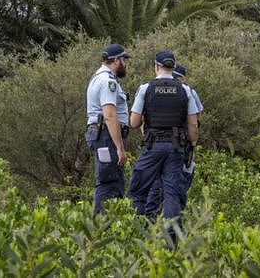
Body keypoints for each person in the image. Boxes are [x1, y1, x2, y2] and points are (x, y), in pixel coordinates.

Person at [127, 51, 199, 227]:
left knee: (138, 189)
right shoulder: (185, 90)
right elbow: (193, 125)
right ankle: (171, 240)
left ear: (156, 66)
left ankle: (138, 231)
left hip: (153, 146)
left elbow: (134, 122)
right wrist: (191, 146)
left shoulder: (146, 88)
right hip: (176, 147)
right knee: (172, 193)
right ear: (173, 68)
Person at [144, 64, 203, 218]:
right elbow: (196, 122)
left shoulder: (152, 89)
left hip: (157, 145)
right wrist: (192, 145)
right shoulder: (188, 91)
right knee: (176, 188)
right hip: (180, 146)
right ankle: (174, 227)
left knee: (156, 187)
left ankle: (151, 224)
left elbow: (143, 120)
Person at [85, 43, 132, 215]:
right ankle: (101, 231)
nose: (125, 64)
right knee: (108, 183)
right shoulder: (107, 81)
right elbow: (110, 115)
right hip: (105, 136)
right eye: (124, 60)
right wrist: (120, 148)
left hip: (103, 135)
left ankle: (110, 228)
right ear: (116, 60)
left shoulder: (100, 77)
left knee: (114, 182)